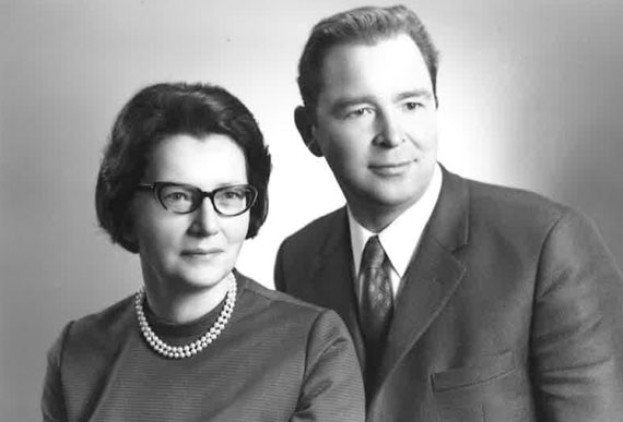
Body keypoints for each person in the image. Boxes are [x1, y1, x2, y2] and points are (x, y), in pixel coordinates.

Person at [274, 5, 623, 421]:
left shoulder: (548, 244)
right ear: (309, 131)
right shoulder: (297, 260)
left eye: (411, 105)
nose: (393, 136)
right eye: (360, 111)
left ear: (435, 106)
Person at [42, 82, 364, 422]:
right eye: (179, 196)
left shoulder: (315, 346)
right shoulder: (74, 354)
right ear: (126, 209)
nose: (207, 225)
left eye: (229, 195)